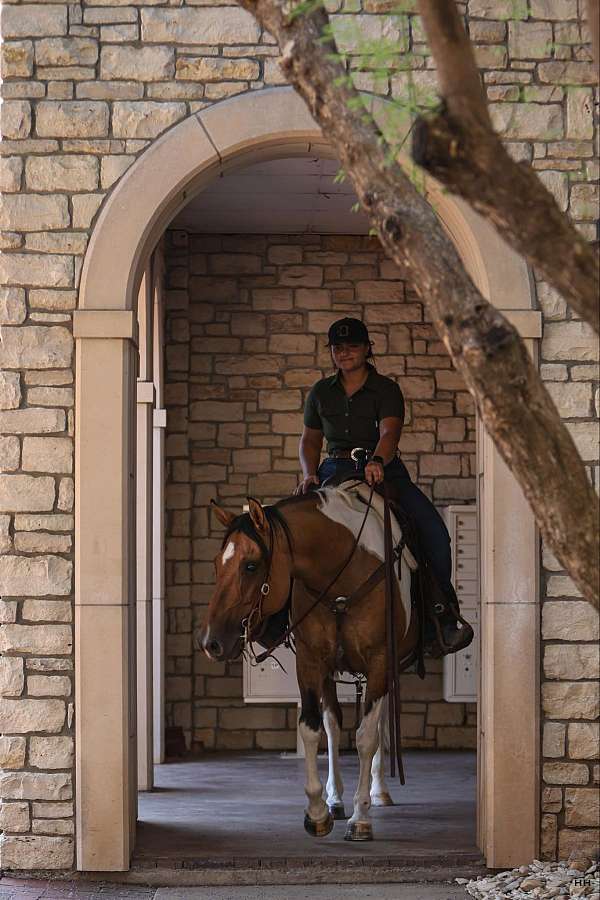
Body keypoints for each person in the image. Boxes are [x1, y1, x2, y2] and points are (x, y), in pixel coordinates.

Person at [295, 316, 473, 655]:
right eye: (337, 347)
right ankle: (278, 619)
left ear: (366, 349)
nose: (344, 353)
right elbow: (309, 441)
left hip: (382, 468)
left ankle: (441, 614)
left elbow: (390, 433)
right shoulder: (320, 392)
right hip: (333, 468)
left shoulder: (386, 389)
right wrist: (308, 473)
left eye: (352, 346)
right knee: (285, 530)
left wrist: (377, 461)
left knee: (435, 532)